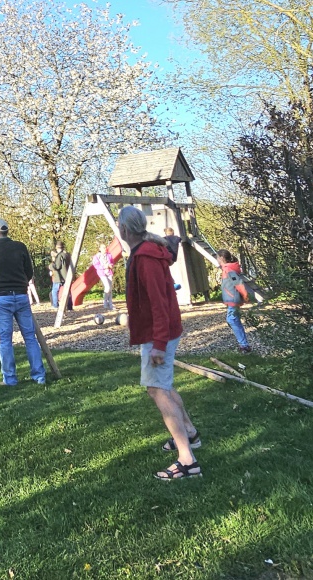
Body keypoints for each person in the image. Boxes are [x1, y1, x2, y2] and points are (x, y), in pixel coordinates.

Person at [118, 205, 201, 480]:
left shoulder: (146, 258)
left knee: (157, 390)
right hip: (157, 332)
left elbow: (160, 303)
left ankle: (187, 460)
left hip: (159, 335)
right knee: (162, 385)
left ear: (125, 229)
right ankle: (190, 433)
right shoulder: (145, 252)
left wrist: (159, 345)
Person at [0, 218, 46, 387]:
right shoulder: (20, 247)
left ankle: (10, 379)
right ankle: (39, 376)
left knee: (5, 340)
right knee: (30, 337)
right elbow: (29, 271)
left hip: (2, 296)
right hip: (21, 295)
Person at [217, 249, 252, 354]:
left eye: (217, 258)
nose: (217, 260)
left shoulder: (229, 270)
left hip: (233, 299)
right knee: (232, 320)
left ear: (221, 258)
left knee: (232, 320)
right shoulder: (226, 268)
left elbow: (238, 283)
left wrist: (245, 295)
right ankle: (243, 344)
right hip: (231, 299)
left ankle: (244, 346)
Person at [93, 241, 115, 312]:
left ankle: (110, 304)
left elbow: (112, 262)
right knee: (107, 287)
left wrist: (111, 265)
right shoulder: (97, 256)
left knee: (110, 288)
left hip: (109, 272)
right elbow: (96, 265)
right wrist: (104, 266)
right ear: (100, 248)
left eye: (105, 247)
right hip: (102, 273)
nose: (105, 248)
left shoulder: (109, 255)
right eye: (103, 247)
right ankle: (105, 301)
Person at [50, 241, 72, 310]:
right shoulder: (67, 254)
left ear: (57, 247)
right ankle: (69, 307)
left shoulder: (60, 255)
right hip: (66, 276)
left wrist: (50, 265)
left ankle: (55, 305)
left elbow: (57, 266)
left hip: (59, 276)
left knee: (54, 291)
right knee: (68, 291)